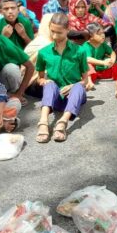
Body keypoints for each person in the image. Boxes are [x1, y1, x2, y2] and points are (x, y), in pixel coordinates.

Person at [35, 13, 89, 143]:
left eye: (59, 33)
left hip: (74, 96)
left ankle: (63, 122)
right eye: (52, 31)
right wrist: (43, 81)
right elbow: (40, 78)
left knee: (78, 86)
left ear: (68, 29)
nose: (55, 36)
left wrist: (73, 86)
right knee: (49, 84)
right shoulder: (43, 52)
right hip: (55, 99)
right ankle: (43, 122)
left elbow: (85, 80)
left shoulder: (80, 51)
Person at [81, 22, 117, 87]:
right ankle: (88, 82)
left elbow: (112, 53)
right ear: (90, 37)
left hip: (101, 70)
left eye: (103, 33)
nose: (103, 35)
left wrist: (112, 61)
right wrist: (103, 62)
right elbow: (88, 59)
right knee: (87, 65)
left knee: (116, 65)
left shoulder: (103, 44)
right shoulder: (86, 45)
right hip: (91, 72)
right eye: (99, 34)